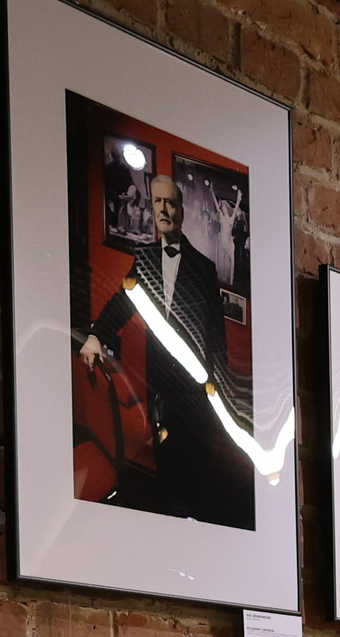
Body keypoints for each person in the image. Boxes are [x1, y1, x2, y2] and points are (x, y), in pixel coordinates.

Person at [80, 173, 248, 526]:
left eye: (170, 202)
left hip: (195, 382)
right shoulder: (144, 258)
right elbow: (122, 302)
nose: (163, 209)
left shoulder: (203, 267)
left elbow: (215, 335)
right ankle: (169, 525)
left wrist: (220, 387)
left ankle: (197, 525)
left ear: (181, 210)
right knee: (164, 454)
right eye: (157, 202)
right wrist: (96, 336)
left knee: (196, 460)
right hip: (159, 378)